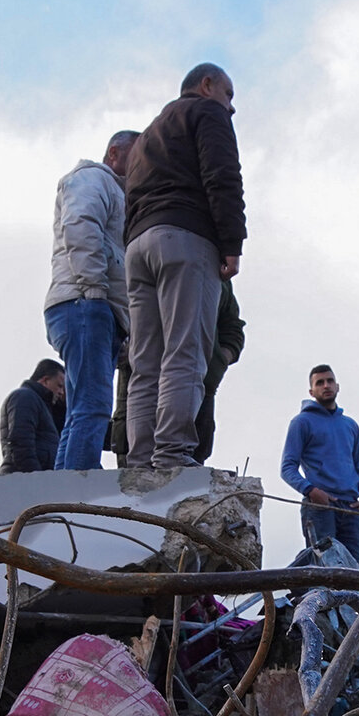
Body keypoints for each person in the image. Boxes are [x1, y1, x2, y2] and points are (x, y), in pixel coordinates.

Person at [122, 63, 246, 471]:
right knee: (185, 351)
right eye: (229, 96)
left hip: (138, 247)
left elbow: (131, 197)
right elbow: (222, 175)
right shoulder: (205, 113)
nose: (230, 109)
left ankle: (140, 461)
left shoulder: (145, 137)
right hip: (185, 238)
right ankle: (172, 453)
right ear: (207, 85)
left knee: (145, 362)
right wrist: (231, 242)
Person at [45, 131, 139, 470]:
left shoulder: (113, 190)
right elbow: (80, 226)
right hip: (84, 303)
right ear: (114, 153)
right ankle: (78, 493)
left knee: (81, 408)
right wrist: (95, 289)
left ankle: (64, 487)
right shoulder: (92, 179)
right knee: (93, 405)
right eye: (138, 157)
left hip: (86, 304)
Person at [281, 365, 359, 565]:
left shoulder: (350, 425)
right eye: (320, 383)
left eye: (330, 381)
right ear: (311, 391)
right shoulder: (301, 422)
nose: (326, 386)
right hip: (320, 507)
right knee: (326, 572)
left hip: (351, 508)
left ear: (337, 386)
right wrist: (311, 491)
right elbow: (287, 468)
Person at [194, 281, 247, 464]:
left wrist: (221, 357)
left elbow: (232, 326)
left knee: (193, 469)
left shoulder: (218, 275)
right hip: (147, 385)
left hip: (203, 384)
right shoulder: (139, 255)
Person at [0, 359, 67, 473]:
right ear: (45, 380)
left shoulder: (45, 408)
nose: (61, 392)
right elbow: (20, 442)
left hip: (33, 481)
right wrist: (35, 478)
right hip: (25, 481)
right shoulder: (25, 397)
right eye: (59, 386)